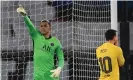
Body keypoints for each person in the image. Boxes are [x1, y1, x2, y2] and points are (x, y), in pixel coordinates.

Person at [16, 5, 64, 80]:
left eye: (45, 26)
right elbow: (30, 25)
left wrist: (59, 68)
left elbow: (61, 58)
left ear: (50, 28)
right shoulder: (36, 36)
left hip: (51, 76)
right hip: (38, 77)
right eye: (41, 26)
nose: (42, 27)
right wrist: (25, 16)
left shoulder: (56, 42)